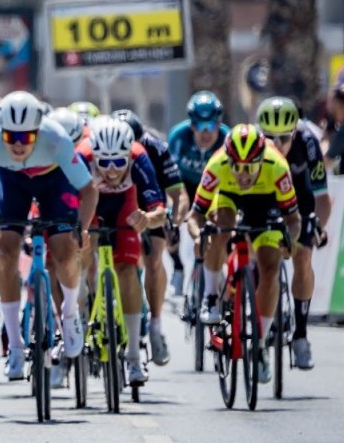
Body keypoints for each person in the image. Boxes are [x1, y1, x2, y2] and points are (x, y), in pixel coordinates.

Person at [0, 91, 98, 382]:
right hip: (12, 182)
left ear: (38, 132)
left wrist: (83, 228)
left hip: (54, 181)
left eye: (25, 138)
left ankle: (70, 314)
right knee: (6, 251)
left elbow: (89, 190)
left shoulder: (56, 138)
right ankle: (14, 345)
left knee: (65, 251)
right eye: (10, 136)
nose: (16, 144)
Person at [188, 124, 301, 385]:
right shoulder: (216, 166)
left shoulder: (278, 167)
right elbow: (195, 216)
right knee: (217, 229)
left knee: (270, 266)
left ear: (262, 159)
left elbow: (293, 220)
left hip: (266, 203)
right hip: (228, 199)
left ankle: (259, 344)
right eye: (236, 167)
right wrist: (197, 236)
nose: (242, 174)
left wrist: (289, 239)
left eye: (250, 167)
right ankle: (211, 297)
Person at [74, 117, 167, 386]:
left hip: (124, 206)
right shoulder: (81, 157)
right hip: (90, 205)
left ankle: (135, 357)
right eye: (104, 163)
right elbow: (66, 202)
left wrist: (147, 219)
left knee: (127, 268)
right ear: (94, 157)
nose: (112, 171)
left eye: (119, 162)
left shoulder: (139, 157)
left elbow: (159, 209)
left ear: (129, 154)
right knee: (79, 256)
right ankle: (77, 317)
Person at [256, 97, 329, 370]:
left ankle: (300, 335)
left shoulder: (309, 144)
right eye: (269, 137)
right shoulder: (253, 145)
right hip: (266, 199)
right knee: (260, 256)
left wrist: (319, 225)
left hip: (301, 202)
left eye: (284, 138)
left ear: (296, 132)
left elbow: (322, 197)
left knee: (302, 257)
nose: (276, 144)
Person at [112, 108, 184, 365]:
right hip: (119, 201)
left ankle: (155, 326)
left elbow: (178, 193)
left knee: (154, 259)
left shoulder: (155, 149)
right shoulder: (104, 149)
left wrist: (174, 221)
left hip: (151, 202)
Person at [168, 91, 229, 291]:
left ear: (219, 124)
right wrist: (177, 212)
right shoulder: (178, 137)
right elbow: (172, 179)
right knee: (171, 219)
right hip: (186, 184)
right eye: (199, 126)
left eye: (211, 125)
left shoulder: (227, 139)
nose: (206, 133)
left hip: (215, 187)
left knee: (219, 222)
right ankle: (177, 264)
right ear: (191, 125)